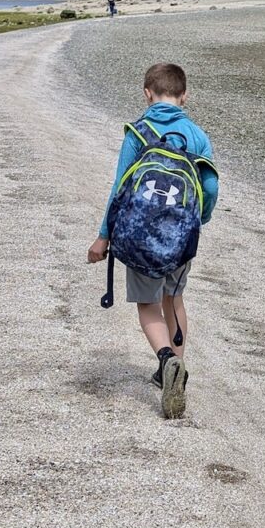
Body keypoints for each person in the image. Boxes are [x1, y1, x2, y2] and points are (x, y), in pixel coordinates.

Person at [87, 63, 218, 417]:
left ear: (147, 93)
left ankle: (165, 362)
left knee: (148, 305)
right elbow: (209, 186)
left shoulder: (137, 132)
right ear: (184, 95)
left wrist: (103, 237)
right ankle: (178, 362)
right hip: (180, 236)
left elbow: (120, 190)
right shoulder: (196, 135)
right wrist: (198, 220)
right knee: (174, 297)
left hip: (140, 235)